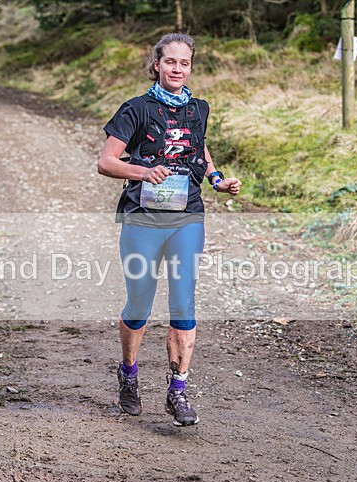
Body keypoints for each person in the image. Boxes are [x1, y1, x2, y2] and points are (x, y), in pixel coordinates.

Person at [97, 33, 241, 426]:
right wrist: (144, 172)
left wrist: (217, 180)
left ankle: (178, 390)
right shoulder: (135, 109)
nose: (178, 69)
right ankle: (129, 374)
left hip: (186, 218)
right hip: (142, 219)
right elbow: (106, 162)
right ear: (157, 65)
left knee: (183, 303)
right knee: (139, 306)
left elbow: (200, 148)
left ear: (191, 67)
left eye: (184, 63)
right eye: (170, 62)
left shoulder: (198, 109)